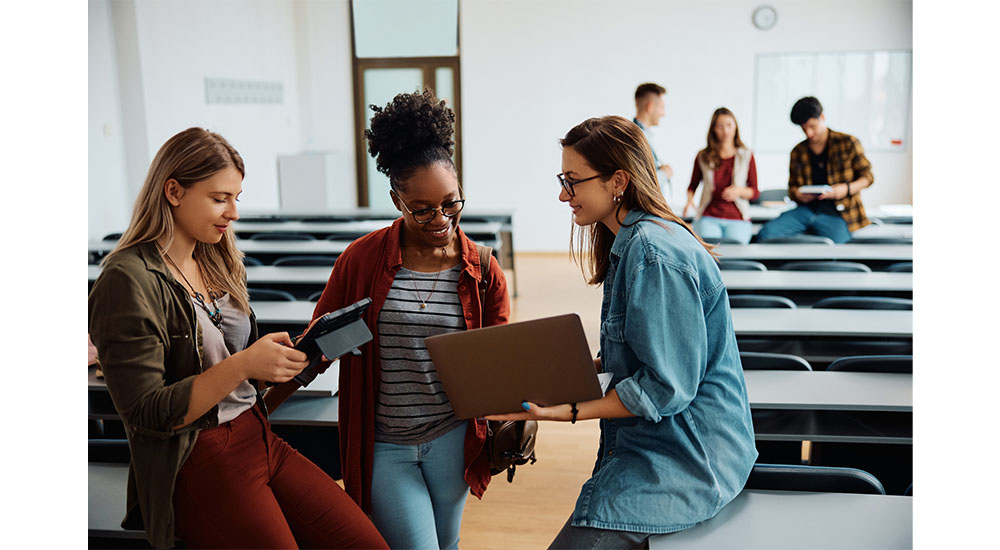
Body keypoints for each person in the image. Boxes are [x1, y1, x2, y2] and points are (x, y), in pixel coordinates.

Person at [88, 127, 387, 550]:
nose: (234, 213)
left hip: (258, 435)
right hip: (197, 458)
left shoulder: (215, 258)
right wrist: (244, 364)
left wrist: (272, 364)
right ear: (173, 191)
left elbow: (225, 368)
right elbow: (147, 414)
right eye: (219, 198)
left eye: (236, 198)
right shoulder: (126, 279)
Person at [488, 116, 757, 549]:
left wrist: (567, 411)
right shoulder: (633, 242)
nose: (562, 194)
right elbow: (637, 357)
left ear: (618, 182)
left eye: (572, 181)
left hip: (688, 458)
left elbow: (667, 387)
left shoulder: (652, 254)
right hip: (664, 447)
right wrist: (549, 375)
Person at [311, 90, 511, 550]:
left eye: (451, 203)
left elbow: (500, 361)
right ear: (395, 199)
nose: (440, 219)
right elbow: (320, 345)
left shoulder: (482, 269)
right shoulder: (360, 261)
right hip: (385, 445)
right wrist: (257, 400)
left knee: (448, 544)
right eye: (422, 209)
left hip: (453, 437)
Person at [757, 96, 874, 243]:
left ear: (822, 117)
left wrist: (846, 188)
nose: (809, 133)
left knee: (839, 244)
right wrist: (799, 195)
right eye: (804, 128)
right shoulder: (798, 151)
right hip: (806, 211)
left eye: (812, 127)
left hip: (839, 213)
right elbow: (792, 188)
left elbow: (868, 177)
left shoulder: (848, 143)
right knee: (766, 234)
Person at [683, 107, 760, 244]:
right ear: (713, 129)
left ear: (735, 127)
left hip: (737, 218)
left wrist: (739, 191)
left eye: (729, 125)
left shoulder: (746, 155)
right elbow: (693, 185)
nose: (725, 131)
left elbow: (754, 192)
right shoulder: (703, 156)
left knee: (737, 250)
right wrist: (689, 201)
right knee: (710, 251)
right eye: (720, 126)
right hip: (709, 216)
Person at [632, 83, 674, 198]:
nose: (663, 113)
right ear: (650, 107)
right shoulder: (636, 138)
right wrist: (665, 174)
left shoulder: (643, 135)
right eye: (662, 107)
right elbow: (640, 183)